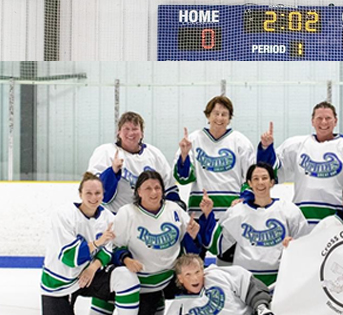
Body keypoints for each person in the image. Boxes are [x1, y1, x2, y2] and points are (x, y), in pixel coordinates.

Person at [87, 170, 210, 315]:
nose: (154, 193)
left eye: (157, 188)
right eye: (148, 188)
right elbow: (113, 247)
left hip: (169, 279)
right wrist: (126, 259)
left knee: (201, 285)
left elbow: (192, 250)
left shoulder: (174, 210)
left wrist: (194, 234)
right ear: (138, 192)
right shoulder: (127, 213)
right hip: (140, 284)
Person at [40, 172, 141, 315]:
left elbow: (108, 251)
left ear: (103, 194)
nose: (93, 198)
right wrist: (98, 242)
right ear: (80, 194)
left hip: (89, 276)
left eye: (98, 193)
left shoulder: (108, 217)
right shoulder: (63, 215)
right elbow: (70, 258)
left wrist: (93, 267)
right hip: (59, 282)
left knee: (125, 276)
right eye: (88, 193)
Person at [257, 101, 343, 228]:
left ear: (335, 121)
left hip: (337, 221)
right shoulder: (296, 145)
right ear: (312, 121)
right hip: (303, 218)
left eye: (328, 118)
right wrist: (266, 148)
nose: (323, 122)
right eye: (319, 118)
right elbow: (270, 172)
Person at [173, 95, 255, 262]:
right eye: (215, 113)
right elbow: (182, 178)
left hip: (229, 214)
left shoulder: (240, 142)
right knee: (193, 262)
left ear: (229, 118)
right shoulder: (193, 140)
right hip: (199, 212)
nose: (219, 118)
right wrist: (184, 154)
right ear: (208, 115)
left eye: (224, 114)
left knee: (229, 265)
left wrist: (244, 199)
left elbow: (252, 178)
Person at [201, 162, 310, 286]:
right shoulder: (236, 212)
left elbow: (305, 246)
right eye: (256, 179)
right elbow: (216, 246)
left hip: (280, 282)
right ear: (249, 183)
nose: (260, 182)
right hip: (245, 283)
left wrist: (294, 244)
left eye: (264, 178)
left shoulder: (290, 211)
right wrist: (208, 215)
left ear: (272, 182)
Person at [88, 111, 182, 214]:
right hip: (115, 217)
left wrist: (175, 206)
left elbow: (168, 186)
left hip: (147, 219)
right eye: (126, 129)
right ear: (118, 132)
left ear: (142, 133)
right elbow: (99, 195)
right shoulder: (105, 152)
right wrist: (112, 171)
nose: (131, 133)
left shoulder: (154, 154)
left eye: (135, 129)